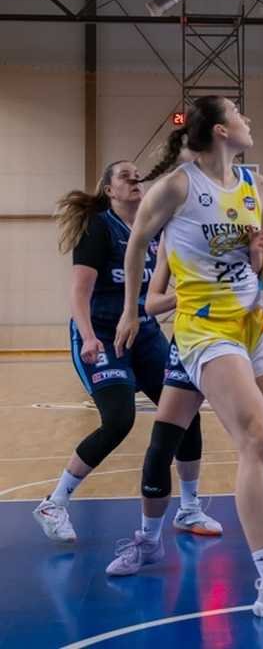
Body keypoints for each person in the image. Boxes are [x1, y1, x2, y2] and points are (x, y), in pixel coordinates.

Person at [113, 96, 263, 624]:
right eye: (238, 112)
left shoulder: (258, 185)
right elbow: (137, 243)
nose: (248, 119)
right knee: (256, 435)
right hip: (205, 326)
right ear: (218, 129)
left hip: (254, 320)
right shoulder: (178, 187)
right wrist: (129, 311)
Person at [33, 161, 210, 543]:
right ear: (109, 189)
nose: (135, 178)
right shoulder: (99, 229)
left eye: (137, 174)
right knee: (118, 420)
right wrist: (88, 337)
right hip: (101, 333)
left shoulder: (155, 229)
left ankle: (190, 508)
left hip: (145, 334)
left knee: (187, 412)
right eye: (124, 175)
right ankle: (54, 503)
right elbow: (79, 292)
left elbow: (162, 292)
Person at [106, 236, 223, 576]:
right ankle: (149, 540)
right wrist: (183, 296)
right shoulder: (174, 238)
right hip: (189, 340)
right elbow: (153, 304)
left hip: (237, 337)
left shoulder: (242, 225)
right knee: (160, 446)